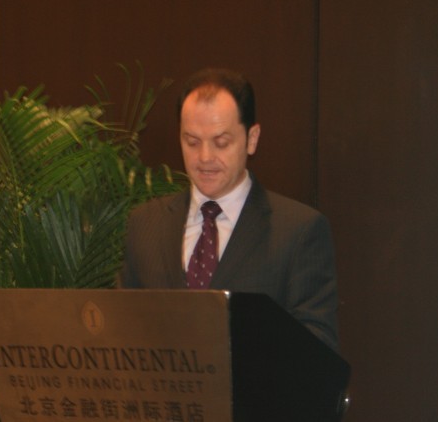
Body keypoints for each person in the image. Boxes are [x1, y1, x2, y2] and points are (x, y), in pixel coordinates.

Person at [119, 68, 339, 351]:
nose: (205, 157)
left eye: (221, 142)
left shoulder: (298, 232)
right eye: (192, 142)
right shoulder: (145, 224)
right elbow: (121, 332)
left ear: (252, 138)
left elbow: (318, 349)